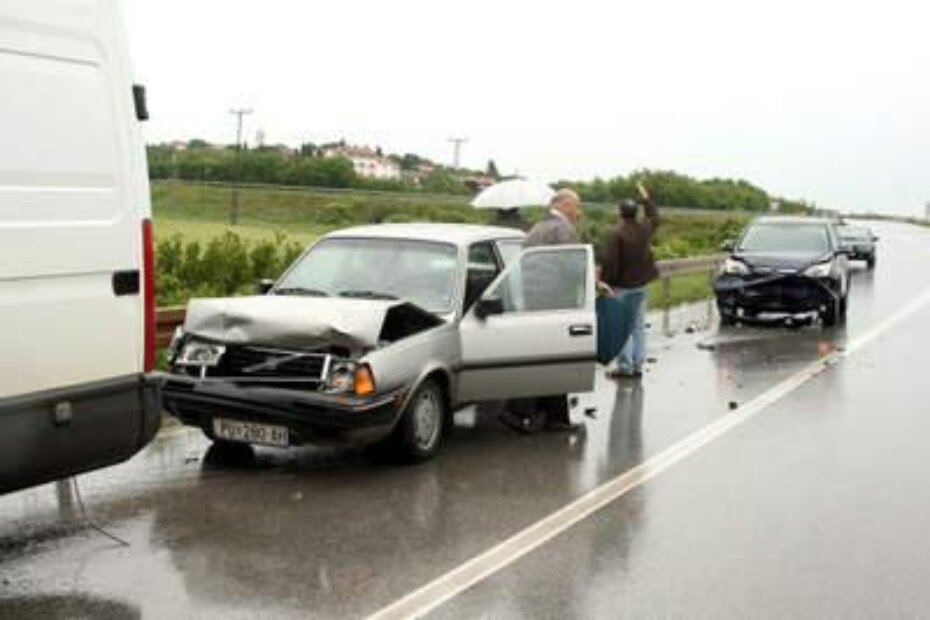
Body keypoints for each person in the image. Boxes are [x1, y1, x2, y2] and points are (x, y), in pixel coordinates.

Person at [499, 189, 584, 433]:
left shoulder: (537, 228)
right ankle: (516, 411)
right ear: (566, 205)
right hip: (556, 304)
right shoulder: (563, 230)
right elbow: (575, 269)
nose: (579, 212)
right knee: (554, 361)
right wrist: (593, 284)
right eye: (577, 206)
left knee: (549, 359)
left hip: (534, 302)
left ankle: (555, 417)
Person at [601, 183, 660, 379]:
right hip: (641, 285)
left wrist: (605, 283)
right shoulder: (644, 228)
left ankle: (625, 367)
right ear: (636, 213)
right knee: (637, 325)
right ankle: (637, 365)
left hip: (622, 288)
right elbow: (655, 217)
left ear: (620, 213)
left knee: (622, 327)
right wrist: (646, 198)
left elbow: (611, 262)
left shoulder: (616, 233)